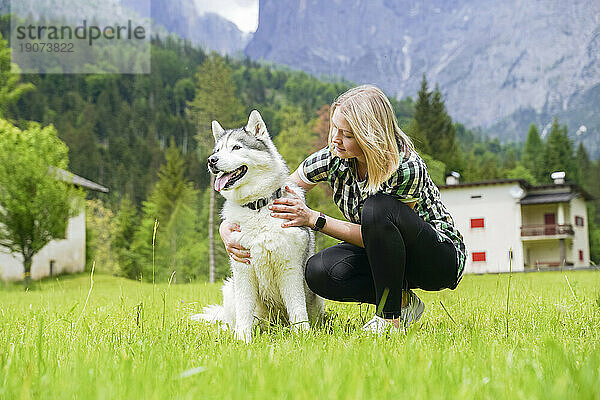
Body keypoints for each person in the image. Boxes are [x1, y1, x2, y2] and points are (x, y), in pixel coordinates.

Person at [219, 85, 467, 333]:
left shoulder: (405, 166)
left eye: (347, 134)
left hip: (435, 258)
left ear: (370, 136)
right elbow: (276, 191)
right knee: (318, 272)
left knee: (377, 208)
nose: (335, 138)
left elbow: (388, 235)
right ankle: (403, 303)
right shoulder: (333, 157)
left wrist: (314, 219)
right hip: (381, 254)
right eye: (335, 127)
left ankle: (389, 319)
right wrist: (228, 228)